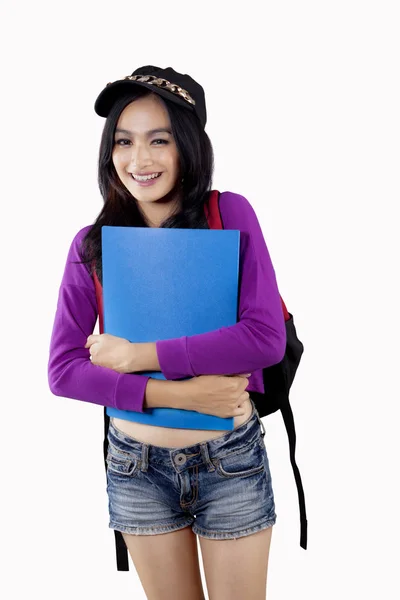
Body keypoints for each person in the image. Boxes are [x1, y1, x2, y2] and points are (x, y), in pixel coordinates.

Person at [48, 65, 287, 599]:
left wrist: (136, 355)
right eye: (123, 142)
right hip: (135, 466)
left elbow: (264, 337)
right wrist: (176, 392)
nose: (140, 160)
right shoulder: (92, 243)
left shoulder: (229, 213)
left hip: (228, 459)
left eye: (159, 140)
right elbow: (63, 371)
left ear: (188, 147)